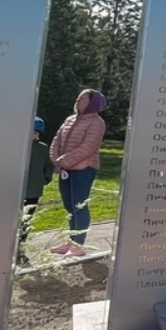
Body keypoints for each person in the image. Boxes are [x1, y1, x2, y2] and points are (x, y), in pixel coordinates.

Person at [49, 89, 106, 258]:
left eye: (82, 99)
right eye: (78, 98)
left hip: (84, 169)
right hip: (65, 169)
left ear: (92, 103)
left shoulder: (97, 123)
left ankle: (78, 244)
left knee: (79, 206)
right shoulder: (70, 119)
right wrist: (55, 159)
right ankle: (71, 241)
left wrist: (63, 160)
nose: (78, 100)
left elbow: (89, 147)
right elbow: (56, 140)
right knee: (69, 207)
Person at [19, 117, 53, 266]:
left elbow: (49, 166)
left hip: (33, 191)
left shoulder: (43, 148)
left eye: (35, 133)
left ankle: (20, 249)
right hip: (17, 191)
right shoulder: (19, 147)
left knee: (26, 221)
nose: (32, 135)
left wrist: (46, 178)